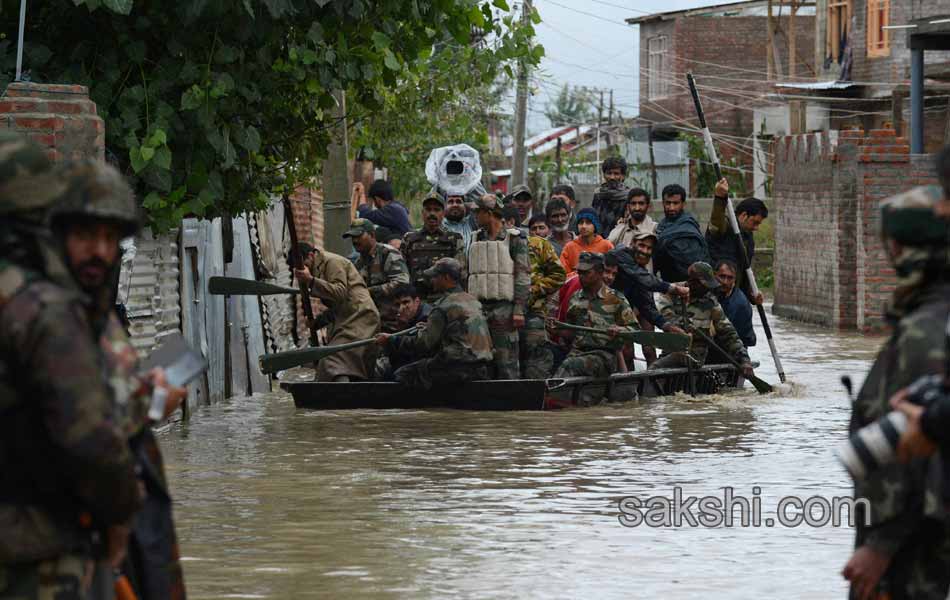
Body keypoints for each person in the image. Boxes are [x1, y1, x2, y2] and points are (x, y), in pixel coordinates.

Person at [0, 141, 145, 600]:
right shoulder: (44, 311)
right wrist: (121, 514)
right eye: (85, 235)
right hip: (36, 552)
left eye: (109, 238)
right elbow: (93, 442)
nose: (99, 252)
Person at [842, 183, 950, 600]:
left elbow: (930, 445)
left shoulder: (927, 332)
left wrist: (882, 545)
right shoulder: (927, 319)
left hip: (907, 549)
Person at [376, 258, 492, 388]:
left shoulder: (443, 306)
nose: (432, 281)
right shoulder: (473, 301)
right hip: (482, 365)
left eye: (435, 277)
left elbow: (424, 344)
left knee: (402, 374)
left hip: (457, 366)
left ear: (446, 277)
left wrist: (392, 340)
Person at [295, 242, 380, 381]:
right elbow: (337, 305)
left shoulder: (332, 262)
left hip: (360, 316)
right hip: (347, 317)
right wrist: (318, 322)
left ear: (311, 255)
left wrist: (310, 281)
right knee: (344, 364)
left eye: (304, 264)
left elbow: (340, 293)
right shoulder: (317, 267)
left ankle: (340, 396)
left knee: (332, 360)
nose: (304, 269)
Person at [651, 262, 753, 377]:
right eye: (704, 285)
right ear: (693, 282)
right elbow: (667, 319)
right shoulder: (671, 292)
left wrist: (744, 359)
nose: (707, 289)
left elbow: (728, 332)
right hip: (671, 352)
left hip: (695, 357)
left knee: (660, 365)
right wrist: (684, 327)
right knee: (655, 368)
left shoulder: (711, 301)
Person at [468, 194, 530, 380]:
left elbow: (522, 276)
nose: (475, 216)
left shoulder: (514, 239)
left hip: (504, 309)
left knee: (506, 363)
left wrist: (518, 309)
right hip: (479, 310)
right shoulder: (475, 238)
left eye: (477, 212)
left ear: (489, 213)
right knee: (479, 363)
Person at [552, 252, 639, 379]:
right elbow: (572, 332)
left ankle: (551, 397)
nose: (581, 276)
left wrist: (620, 330)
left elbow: (635, 329)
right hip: (577, 353)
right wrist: (558, 330)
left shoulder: (615, 298)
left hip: (604, 356)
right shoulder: (576, 298)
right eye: (579, 272)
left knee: (570, 365)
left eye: (586, 273)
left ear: (599, 272)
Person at [608, 232, 689, 365]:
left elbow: (648, 308)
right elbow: (645, 279)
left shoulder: (640, 274)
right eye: (641, 245)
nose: (644, 251)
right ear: (632, 244)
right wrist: (675, 289)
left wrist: (669, 327)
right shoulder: (621, 254)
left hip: (619, 315)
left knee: (631, 352)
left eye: (649, 248)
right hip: (597, 308)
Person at [705, 177, 767, 305]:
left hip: (732, 297)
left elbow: (745, 274)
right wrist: (719, 198)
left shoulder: (748, 240)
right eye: (755, 222)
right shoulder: (725, 226)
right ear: (744, 215)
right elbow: (716, 222)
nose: (756, 228)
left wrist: (752, 296)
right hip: (712, 295)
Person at [345, 218, 410, 333]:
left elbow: (402, 282)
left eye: (359, 236)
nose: (355, 240)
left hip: (393, 322)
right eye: (352, 237)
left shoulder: (387, 253)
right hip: (371, 322)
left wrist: (370, 291)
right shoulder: (359, 263)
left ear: (372, 235)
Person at [402, 191, 466, 302]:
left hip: (445, 300)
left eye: (436, 210)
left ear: (443, 213)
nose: (432, 213)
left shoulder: (454, 239)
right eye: (428, 209)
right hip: (417, 300)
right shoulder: (409, 238)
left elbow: (461, 273)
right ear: (422, 213)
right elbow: (403, 273)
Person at [522, 226, 566, 379]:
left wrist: (534, 290)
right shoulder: (484, 244)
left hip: (533, 313)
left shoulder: (537, 244)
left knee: (536, 363)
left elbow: (559, 275)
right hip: (501, 316)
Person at [654, 183, 711, 284]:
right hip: (669, 285)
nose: (671, 208)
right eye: (668, 203)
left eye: (676, 203)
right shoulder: (661, 226)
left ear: (683, 204)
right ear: (663, 203)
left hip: (692, 284)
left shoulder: (688, 227)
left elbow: (696, 262)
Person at [712, 259, 756, 350]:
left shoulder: (739, 303)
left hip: (732, 348)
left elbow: (726, 333)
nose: (725, 281)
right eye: (722, 276)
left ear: (735, 280)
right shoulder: (713, 291)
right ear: (714, 275)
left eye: (730, 278)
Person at [559, 207, 614, 276]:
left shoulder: (607, 245)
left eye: (588, 222)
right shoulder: (569, 247)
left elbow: (612, 271)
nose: (583, 226)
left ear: (595, 225)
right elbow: (562, 274)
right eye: (581, 222)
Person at [607, 187, 657, 254]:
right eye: (633, 203)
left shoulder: (654, 229)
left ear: (648, 206)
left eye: (641, 203)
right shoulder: (621, 228)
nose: (637, 208)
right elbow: (607, 247)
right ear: (628, 206)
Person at [591, 156, 630, 234]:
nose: (612, 177)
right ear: (604, 175)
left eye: (616, 173)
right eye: (609, 173)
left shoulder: (628, 197)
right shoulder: (598, 194)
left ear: (623, 176)